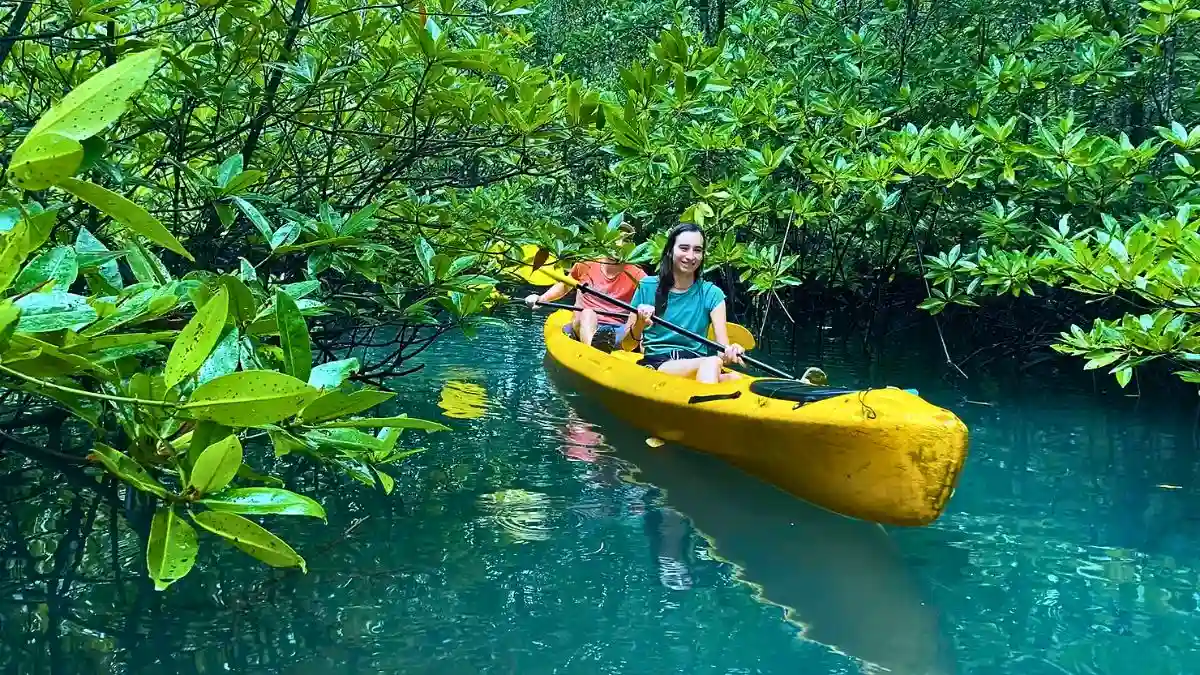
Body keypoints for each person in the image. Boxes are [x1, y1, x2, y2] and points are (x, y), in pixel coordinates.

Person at [625, 222, 744, 383]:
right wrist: (640, 323)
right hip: (659, 363)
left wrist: (731, 352)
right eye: (684, 248)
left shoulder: (713, 294)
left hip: (700, 363)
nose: (690, 256)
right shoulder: (647, 286)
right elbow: (626, 345)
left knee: (735, 378)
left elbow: (721, 350)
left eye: (697, 250)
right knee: (712, 362)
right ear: (670, 251)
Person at [525, 227, 646, 353]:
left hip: (618, 329)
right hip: (584, 323)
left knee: (640, 330)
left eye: (625, 240)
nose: (619, 244)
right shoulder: (587, 263)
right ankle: (594, 350)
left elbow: (656, 294)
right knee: (588, 313)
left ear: (631, 246)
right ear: (606, 239)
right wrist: (542, 299)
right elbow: (565, 285)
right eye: (616, 238)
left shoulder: (637, 274)